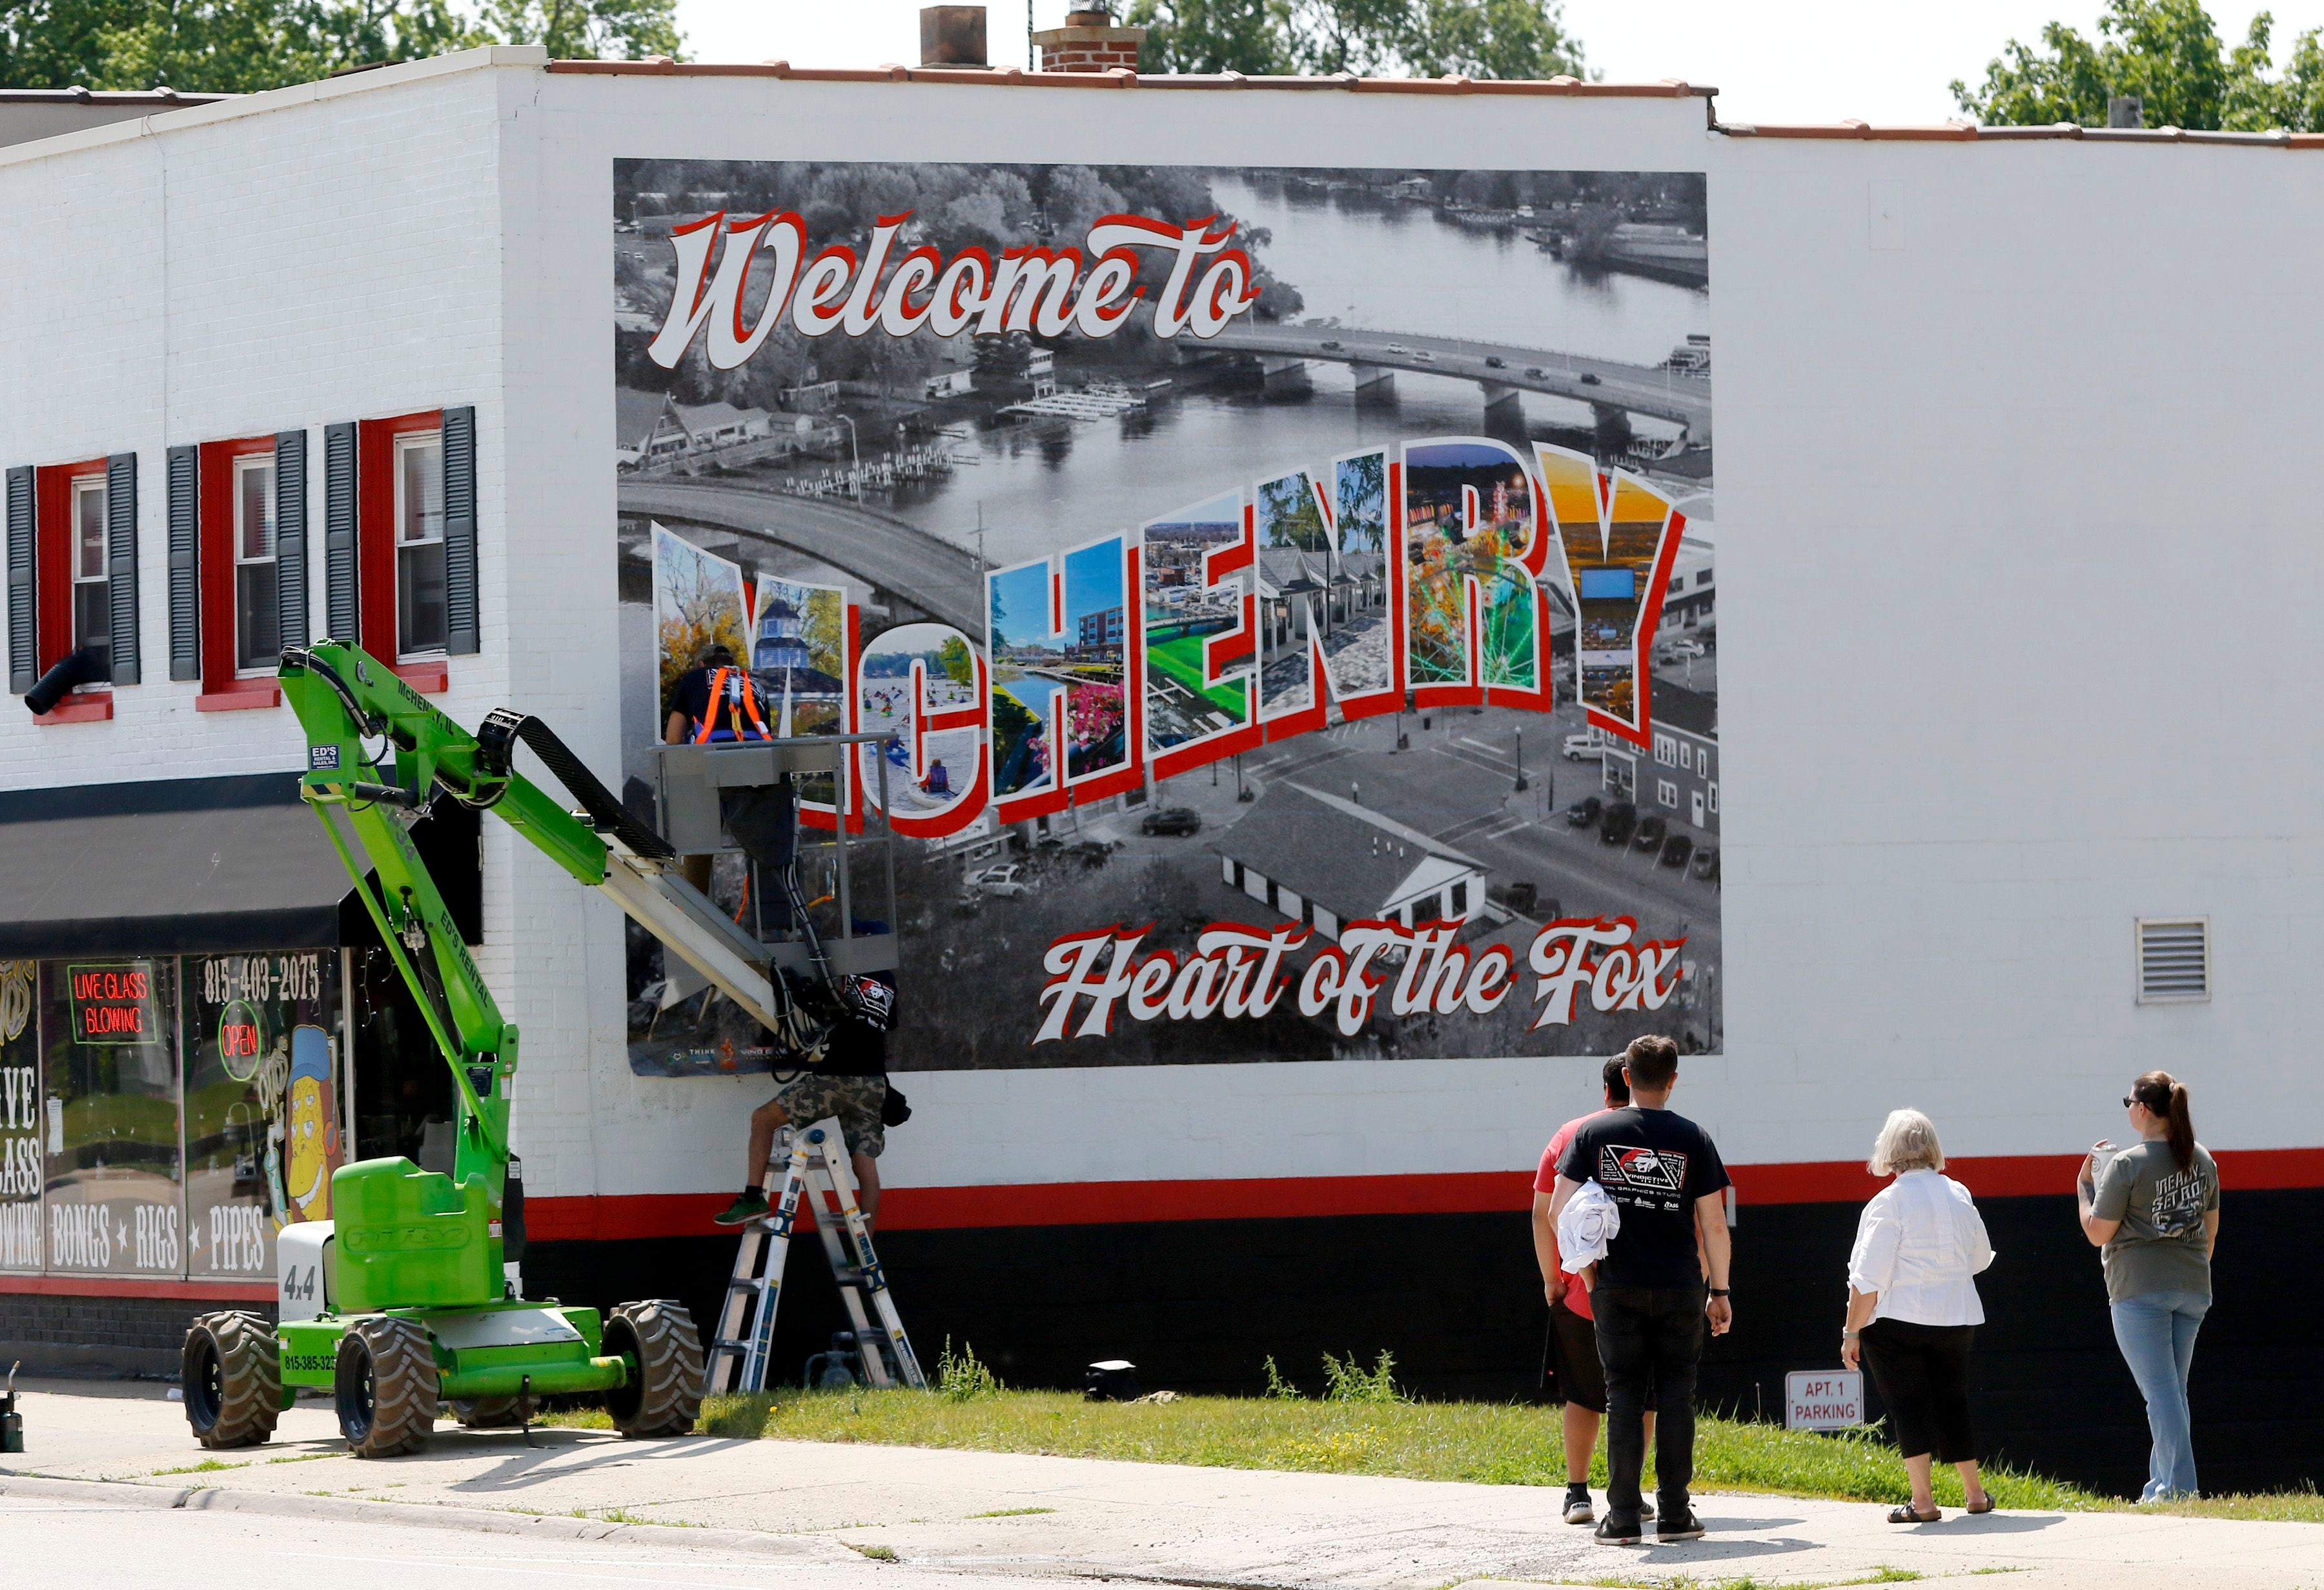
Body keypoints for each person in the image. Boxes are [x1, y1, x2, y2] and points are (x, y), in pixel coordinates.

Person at [1550, 1035, 1733, 1545]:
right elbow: (1714, 1224)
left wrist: (1588, 1276)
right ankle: (1675, 1514)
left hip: (1616, 1284)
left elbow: (1557, 1212)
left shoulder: (1593, 1132)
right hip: (1679, 1285)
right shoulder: (1694, 1137)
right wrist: (1719, 1290)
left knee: (1623, 1395)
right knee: (1677, 1394)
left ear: (1625, 1076)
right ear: (1673, 1080)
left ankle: (1623, 1517)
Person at [1840, 1109, 1996, 1524]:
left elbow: (1868, 1280)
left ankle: (1923, 1503)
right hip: (1958, 1316)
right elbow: (1980, 1258)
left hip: (1897, 1322)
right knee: (1952, 1399)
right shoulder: (1958, 1193)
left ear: (1890, 1154)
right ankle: (1975, 1493)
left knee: (1908, 1406)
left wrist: (1851, 1332)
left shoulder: (1886, 1203)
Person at [2077, 1071, 2220, 1502]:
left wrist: (2083, 1187)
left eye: (2130, 1102)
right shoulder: (2203, 1159)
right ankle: (2164, 1485)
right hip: (2193, 1286)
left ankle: (2177, 1488)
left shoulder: (2127, 1164)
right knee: (2172, 1392)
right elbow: (2210, 1233)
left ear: (2142, 1109)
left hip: (2139, 1289)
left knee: (2160, 1393)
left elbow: (2098, 1232)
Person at [1533, 1057, 1656, 1527]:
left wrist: (1553, 1280)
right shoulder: (1664, 1132)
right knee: (1643, 1399)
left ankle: (1577, 1493)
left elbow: (1544, 1211)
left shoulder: (1570, 1134)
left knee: (1583, 1396)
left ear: (1607, 1089)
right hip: (1647, 1290)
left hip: (1582, 1294)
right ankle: (1631, 1492)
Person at [715, 944, 898, 1232]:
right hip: (873, 1083)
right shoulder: (887, 977)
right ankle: (866, 1245)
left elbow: (813, 995)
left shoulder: (840, 969)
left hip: (837, 1077)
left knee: (762, 1120)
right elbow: (889, 1023)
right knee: (867, 1170)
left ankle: (753, 1197)